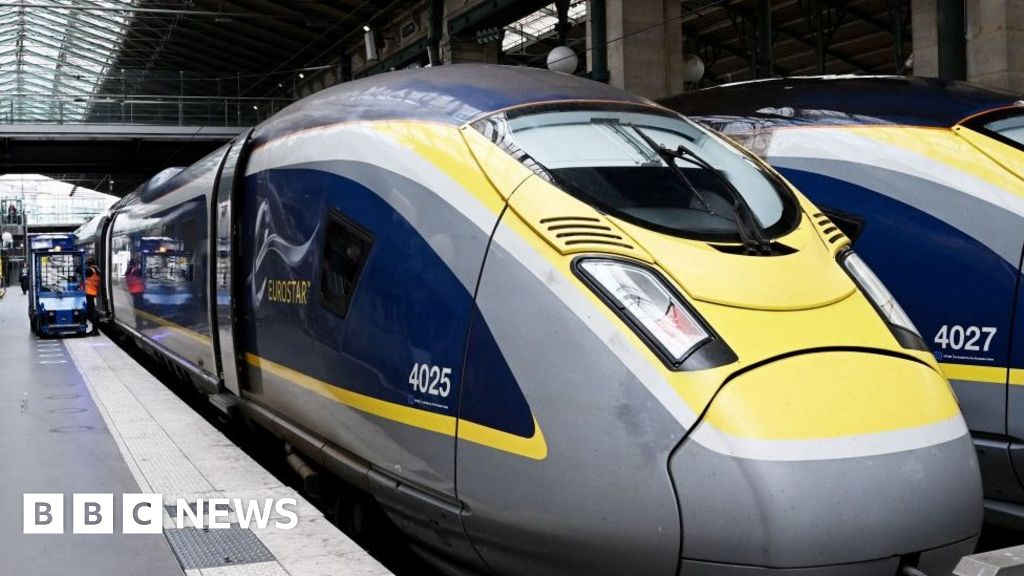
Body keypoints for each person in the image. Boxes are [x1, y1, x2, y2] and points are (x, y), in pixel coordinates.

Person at [84, 257, 101, 335]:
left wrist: (83, 263)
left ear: (88, 263)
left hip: (89, 292)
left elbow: (78, 270)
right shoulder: (96, 270)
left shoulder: (90, 270)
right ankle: (95, 329)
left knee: (92, 312)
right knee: (93, 311)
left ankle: (95, 330)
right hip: (93, 291)